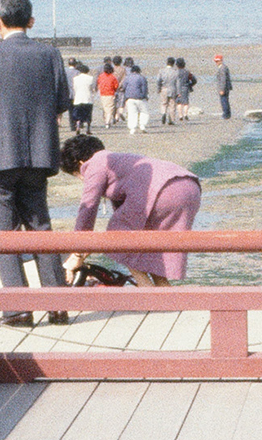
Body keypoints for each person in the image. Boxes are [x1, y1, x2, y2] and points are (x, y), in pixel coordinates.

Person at [0, 0, 73, 323]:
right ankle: (57, 304)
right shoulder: (49, 53)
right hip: (39, 152)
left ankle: (17, 307)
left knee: (4, 230)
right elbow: (63, 100)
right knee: (40, 224)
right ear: (31, 21)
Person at [59, 134, 202, 287]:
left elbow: (88, 208)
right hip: (188, 187)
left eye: (77, 175)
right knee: (151, 245)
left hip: (161, 191)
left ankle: (146, 289)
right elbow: (123, 209)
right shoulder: (119, 160)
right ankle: (164, 291)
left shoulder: (95, 163)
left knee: (120, 237)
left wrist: (77, 252)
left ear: (80, 163)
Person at [121, 58, 150, 133]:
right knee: (144, 112)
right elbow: (144, 88)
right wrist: (145, 96)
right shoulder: (142, 78)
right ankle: (142, 125)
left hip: (129, 98)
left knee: (132, 113)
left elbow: (124, 87)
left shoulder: (127, 78)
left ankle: (132, 129)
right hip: (140, 98)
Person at [68, 57, 96, 132]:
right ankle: (88, 128)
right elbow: (93, 88)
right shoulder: (90, 78)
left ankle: (77, 126)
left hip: (78, 98)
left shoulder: (76, 79)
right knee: (88, 114)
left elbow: (75, 88)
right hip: (88, 98)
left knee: (78, 114)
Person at [96, 57, 119, 127]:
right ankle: (107, 122)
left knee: (105, 108)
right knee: (110, 109)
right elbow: (116, 86)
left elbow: (98, 83)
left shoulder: (101, 76)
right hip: (110, 94)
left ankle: (106, 120)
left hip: (102, 94)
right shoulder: (112, 77)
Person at [173, 57, 196, 122]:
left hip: (177, 88)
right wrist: (190, 85)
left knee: (179, 102)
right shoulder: (187, 72)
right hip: (185, 88)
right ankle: (185, 114)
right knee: (186, 103)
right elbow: (194, 80)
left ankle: (180, 116)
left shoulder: (175, 72)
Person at [158, 57, 176, 125]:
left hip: (164, 88)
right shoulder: (175, 72)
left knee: (164, 103)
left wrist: (159, 88)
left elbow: (158, 80)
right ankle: (171, 119)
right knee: (172, 104)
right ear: (173, 63)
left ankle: (163, 113)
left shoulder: (162, 71)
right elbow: (177, 82)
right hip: (172, 89)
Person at [213, 54, 232, 118]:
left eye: (217, 61)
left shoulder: (222, 68)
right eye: (216, 61)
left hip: (224, 88)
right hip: (225, 87)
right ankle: (227, 114)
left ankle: (226, 114)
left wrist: (222, 89)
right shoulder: (224, 67)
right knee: (225, 100)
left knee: (224, 101)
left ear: (221, 60)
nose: (216, 63)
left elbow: (223, 79)